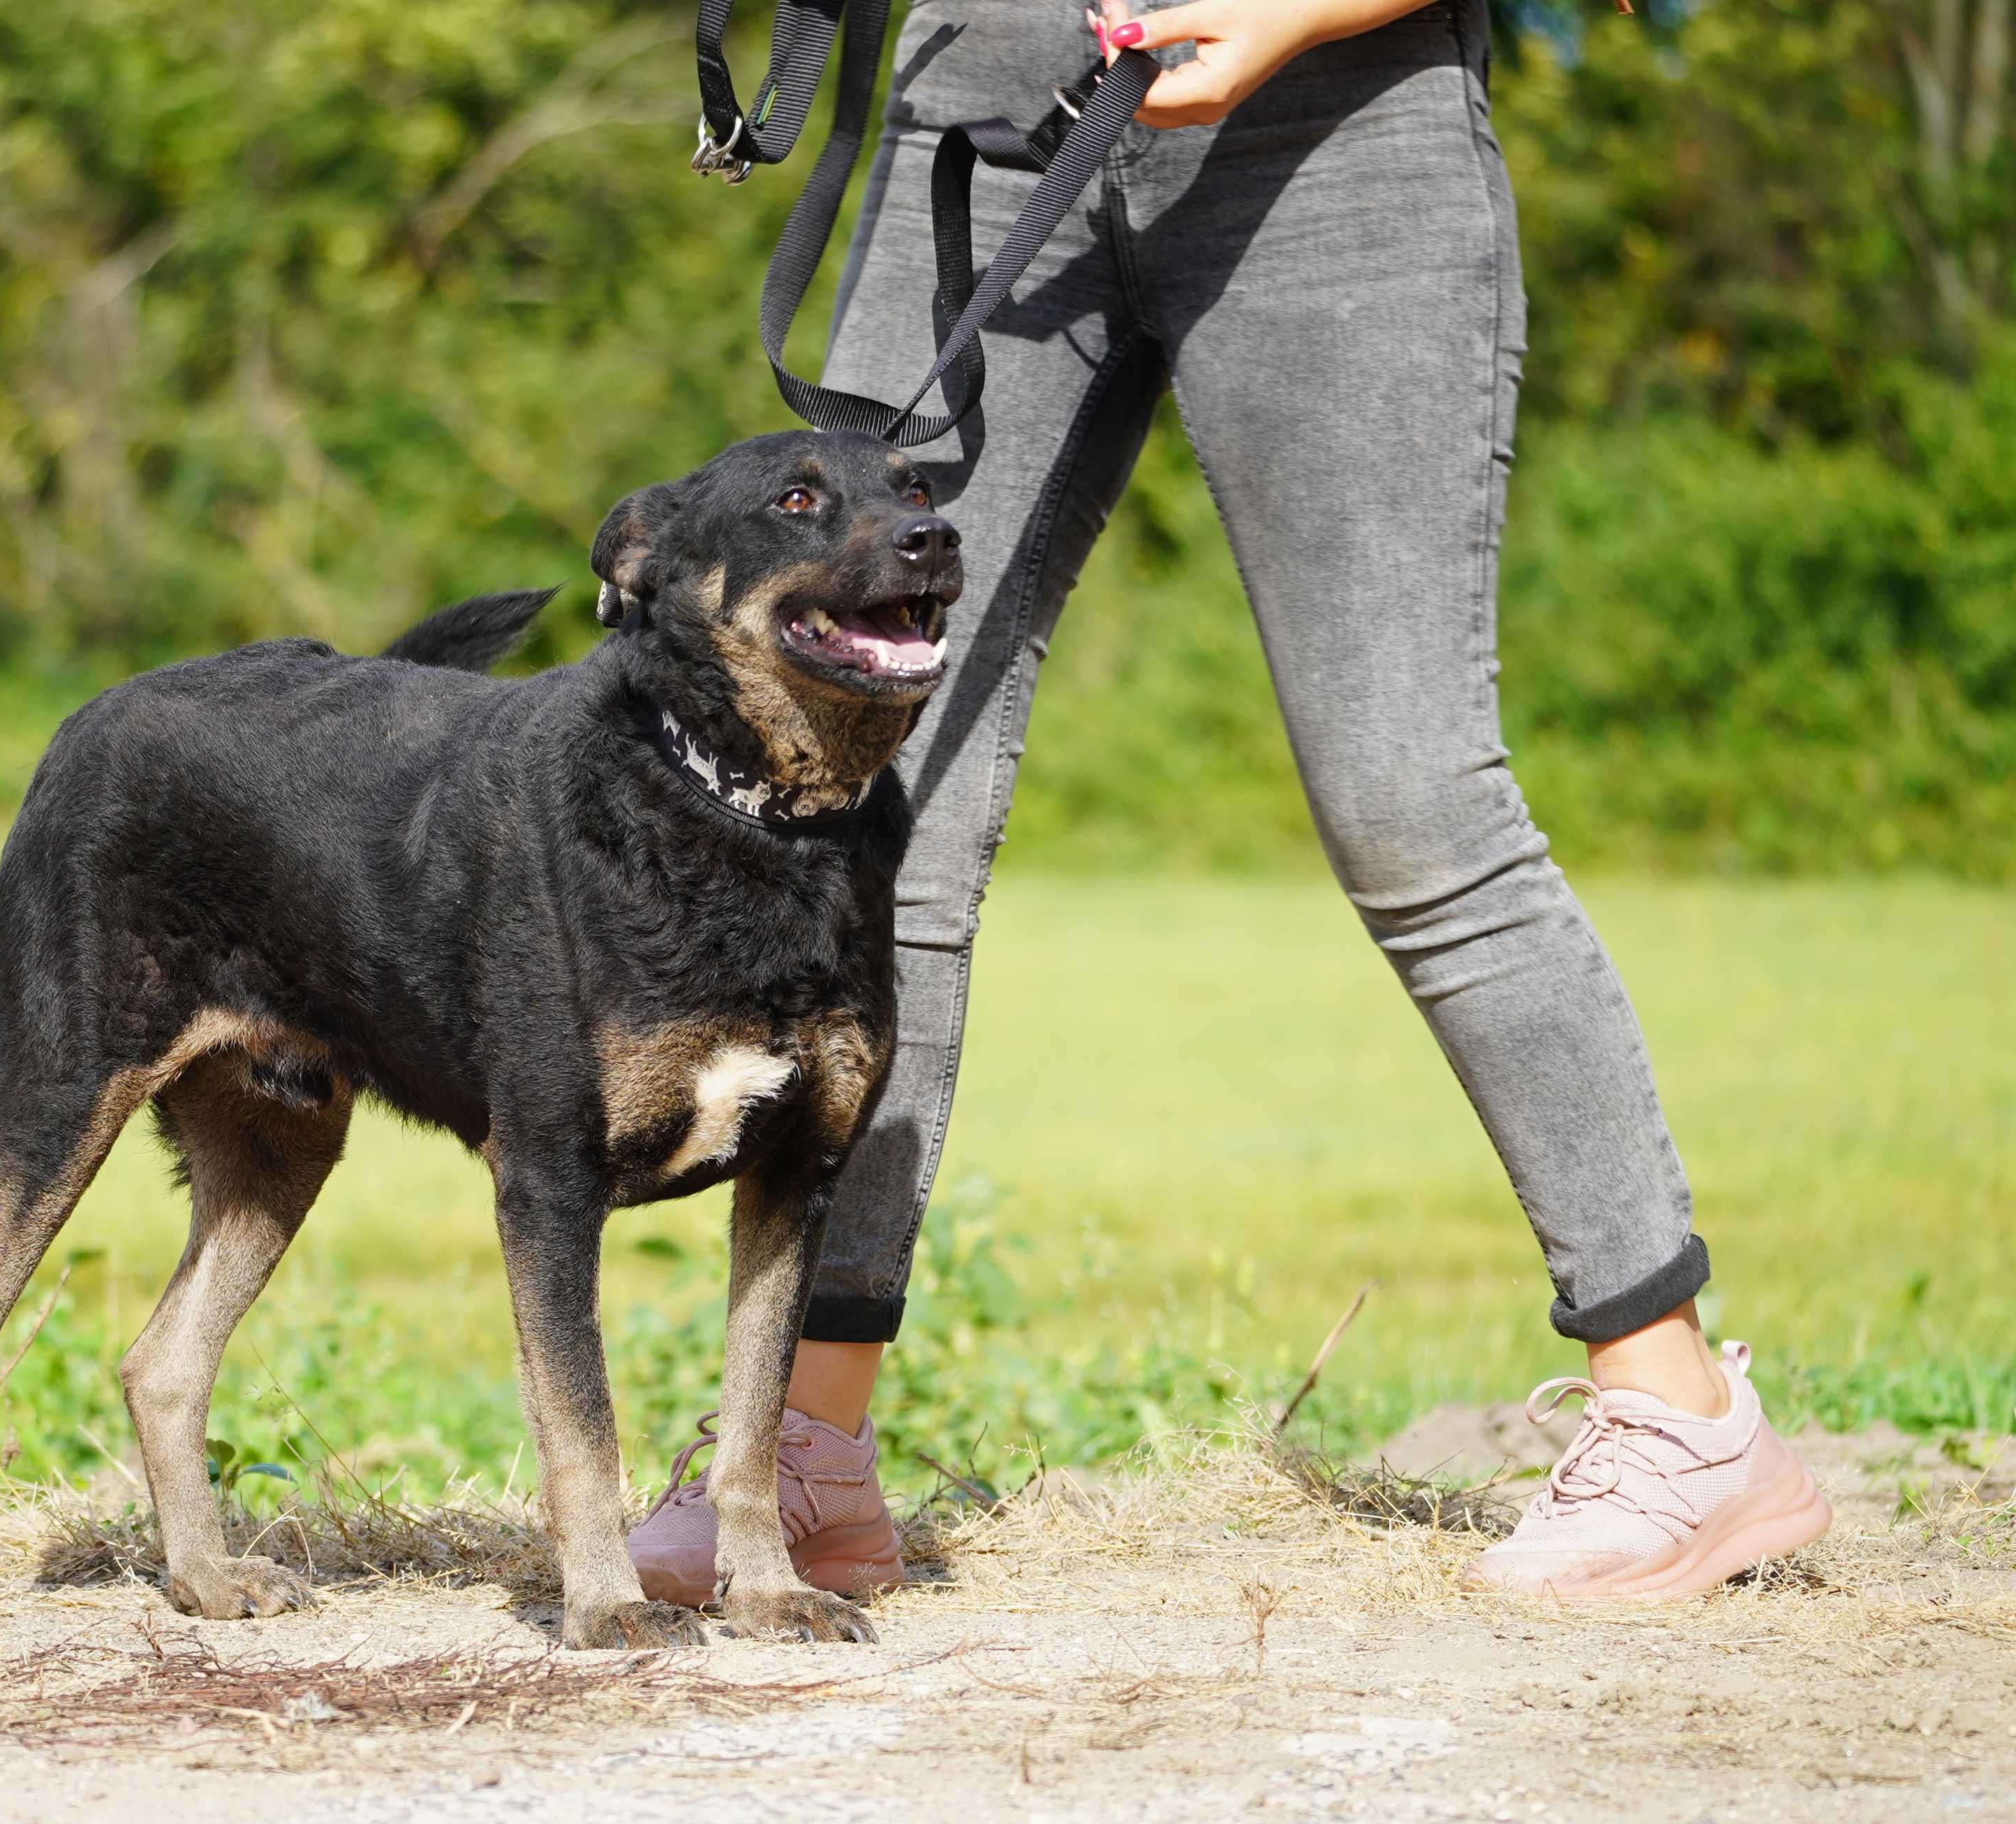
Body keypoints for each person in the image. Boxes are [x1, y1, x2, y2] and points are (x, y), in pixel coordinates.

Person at [629, 0, 1832, 1604]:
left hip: (1330, 131)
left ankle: (1680, 1416)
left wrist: (1290, 14)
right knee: (863, 803)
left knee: (1415, 803)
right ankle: (800, 1456)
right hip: (980, 115)